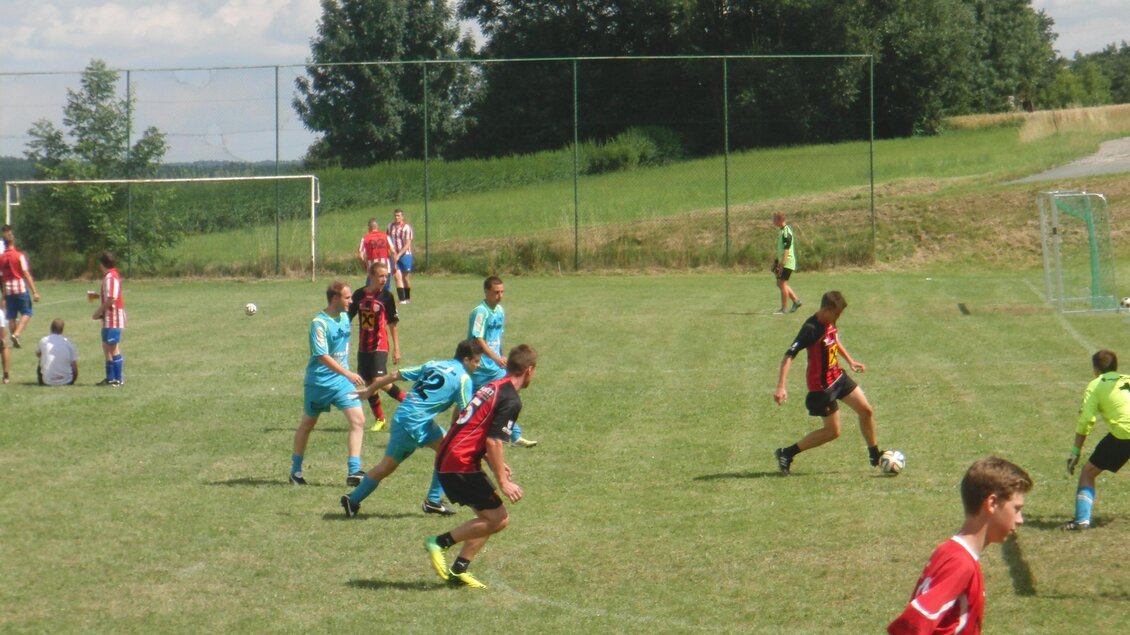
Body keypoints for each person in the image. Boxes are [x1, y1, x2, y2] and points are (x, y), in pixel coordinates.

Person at [424, 344, 538, 589]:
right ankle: (439, 542)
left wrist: (496, 463)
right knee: (499, 519)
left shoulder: (491, 387)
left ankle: (458, 570)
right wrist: (503, 480)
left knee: (487, 517)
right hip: (459, 462)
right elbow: (493, 440)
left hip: (451, 456)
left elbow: (468, 423)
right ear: (529, 371)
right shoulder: (511, 399)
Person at [888, 456, 1032, 634]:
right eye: (1016, 509)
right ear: (992, 503)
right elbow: (913, 624)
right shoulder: (961, 564)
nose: (1020, 520)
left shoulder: (948, 551)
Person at [339, 339, 483, 518]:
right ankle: (352, 499)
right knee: (387, 467)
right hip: (413, 425)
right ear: (466, 360)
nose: (479, 365)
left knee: (448, 452)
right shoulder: (463, 379)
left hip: (411, 420)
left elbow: (394, 375)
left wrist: (369, 391)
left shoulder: (434, 364)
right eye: (477, 361)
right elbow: (466, 412)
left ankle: (433, 501)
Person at [772, 290, 882, 474]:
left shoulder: (830, 322)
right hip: (822, 388)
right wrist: (781, 386)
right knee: (833, 432)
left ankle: (875, 455)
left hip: (838, 377)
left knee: (866, 411)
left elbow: (833, 340)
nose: (838, 317)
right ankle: (786, 453)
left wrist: (850, 361)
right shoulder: (811, 328)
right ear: (825, 309)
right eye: (836, 313)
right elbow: (788, 356)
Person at [290, 281, 368, 486]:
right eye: (347, 297)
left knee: (358, 421)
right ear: (335, 298)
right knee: (308, 424)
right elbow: (322, 356)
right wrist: (348, 373)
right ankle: (295, 471)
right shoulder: (319, 323)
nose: (351, 301)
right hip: (320, 383)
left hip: (342, 383)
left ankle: (354, 472)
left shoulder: (344, 317)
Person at [1061, 349, 1130, 530]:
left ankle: (1082, 520)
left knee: (1088, 473)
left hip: (1124, 434)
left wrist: (1075, 451)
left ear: (1096, 370)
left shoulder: (1096, 384)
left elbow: (1086, 421)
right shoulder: (1127, 379)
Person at [468, 276, 537, 447]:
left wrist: (502, 355)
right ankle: (460, 432)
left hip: (497, 366)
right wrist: (494, 357)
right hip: (480, 367)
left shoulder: (500, 311)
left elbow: (498, 337)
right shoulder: (480, 312)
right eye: (496, 292)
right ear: (486, 292)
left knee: (508, 396)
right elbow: (478, 339)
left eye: (502, 292)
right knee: (469, 402)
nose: (500, 296)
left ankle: (515, 436)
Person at [347, 261, 404, 432]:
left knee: (379, 380)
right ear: (370, 276)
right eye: (381, 275)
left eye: (386, 276)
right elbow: (347, 318)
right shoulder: (358, 295)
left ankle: (409, 401)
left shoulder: (387, 297)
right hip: (363, 346)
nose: (384, 279)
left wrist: (397, 348)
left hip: (380, 344)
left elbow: (392, 323)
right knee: (369, 382)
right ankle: (380, 419)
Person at [0, 230, 41, 348]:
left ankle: (14, 336)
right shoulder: (19, 256)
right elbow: (25, 273)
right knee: (27, 312)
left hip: (7, 288)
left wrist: (3, 295)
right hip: (19, 287)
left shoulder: (1, 258)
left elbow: (1, 276)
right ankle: (17, 334)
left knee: (11, 315)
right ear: (13, 241)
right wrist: (34, 291)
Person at [92, 251, 126, 386]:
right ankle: (110, 378)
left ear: (102, 264)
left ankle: (118, 379)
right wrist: (97, 296)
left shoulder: (111, 277)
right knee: (106, 346)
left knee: (112, 347)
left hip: (113, 317)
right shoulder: (110, 276)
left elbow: (112, 299)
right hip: (108, 317)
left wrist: (97, 312)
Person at [771, 213, 801, 315]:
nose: (773, 221)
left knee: (782, 284)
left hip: (787, 262)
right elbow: (781, 249)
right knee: (780, 283)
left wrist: (782, 262)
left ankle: (784, 309)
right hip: (784, 261)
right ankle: (796, 301)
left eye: (774, 219)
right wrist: (776, 261)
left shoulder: (786, 233)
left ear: (780, 220)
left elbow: (787, 250)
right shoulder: (782, 231)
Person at [36, 318, 78, 386]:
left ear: (51, 328)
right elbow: (74, 367)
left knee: (41, 359)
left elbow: (38, 354)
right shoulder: (68, 342)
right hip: (67, 380)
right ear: (62, 330)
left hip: (47, 381)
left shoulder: (44, 340)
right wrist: (73, 380)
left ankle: (43, 378)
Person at [357, 218, 394, 289]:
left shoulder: (365, 238)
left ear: (369, 227)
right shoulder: (386, 236)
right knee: (385, 292)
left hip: (373, 269)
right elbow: (393, 251)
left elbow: (360, 256)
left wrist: (365, 265)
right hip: (386, 268)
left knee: (370, 290)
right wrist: (394, 265)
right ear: (377, 226)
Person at [388, 208, 414, 304]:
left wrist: (399, 254)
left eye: (398, 215)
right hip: (394, 255)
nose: (396, 217)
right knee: (396, 276)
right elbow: (388, 239)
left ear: (402, 217)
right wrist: (392, 253)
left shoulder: (407, 227)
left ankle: (408, 298)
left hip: (405, 255)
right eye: (395, 215)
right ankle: (402, 299)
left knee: (406, 277)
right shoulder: (390, 226)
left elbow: (408, 244)